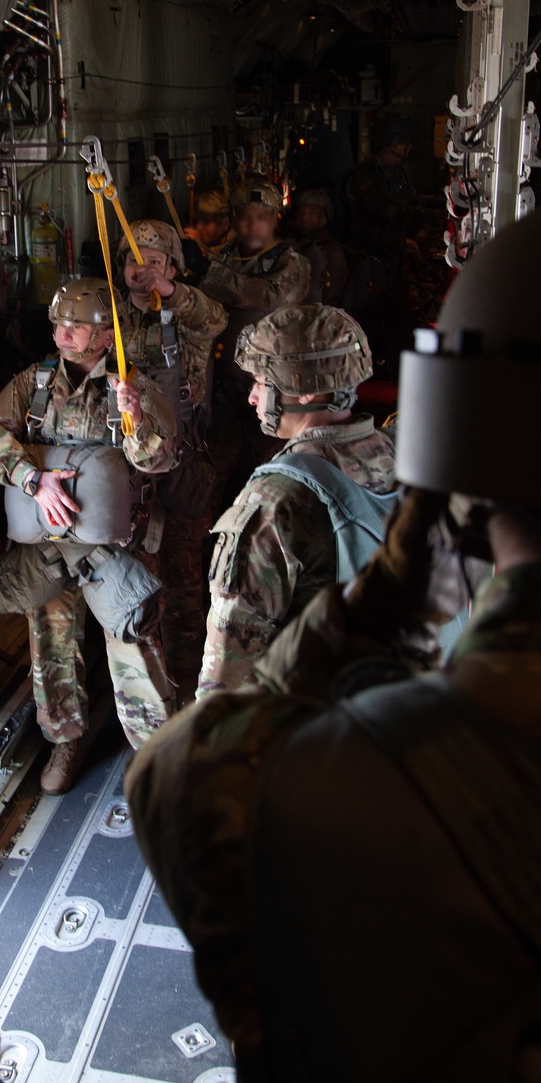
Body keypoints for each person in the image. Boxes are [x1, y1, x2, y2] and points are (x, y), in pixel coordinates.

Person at [127, 179, 541, 1083]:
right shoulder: (374, 461)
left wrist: (382, 612)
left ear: (469, 435)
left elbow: (179, 772)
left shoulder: (323, 808)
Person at [0, 277, 178, 794]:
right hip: (50, 542)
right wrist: (31, 479)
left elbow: (160, 460)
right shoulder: (34, 384)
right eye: (60, 325)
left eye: (78, 327)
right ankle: (64, 738)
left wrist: (135, 419)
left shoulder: (131, 386)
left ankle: (156, 750)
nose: (64, 334)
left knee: (132, 641)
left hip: (115, 546)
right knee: (50, 643)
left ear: (105, 337)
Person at [198, 303, 394, 695]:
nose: (253, 397)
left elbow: (229, 660)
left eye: (260, 382)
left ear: (305, 391)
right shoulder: (393, 450)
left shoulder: (274, 498)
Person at [117, 219, 228, 704]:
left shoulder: (187, 318)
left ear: (173, 268)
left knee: (185, 584)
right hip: (130, 480)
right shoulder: (111, 321)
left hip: (182, 472)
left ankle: (189, 686)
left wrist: (169, 290)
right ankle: (149, 695)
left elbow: (215, 318)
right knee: (136, 588)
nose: (140, 270)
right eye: (132, 260)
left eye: (154, 262)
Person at [183, 175, 313, 505]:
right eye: (245, 216)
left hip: (276, 388)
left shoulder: (292, 262)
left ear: (275, 219)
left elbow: (268, 296)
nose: (253, 224)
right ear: (234, 219)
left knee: (272, 467)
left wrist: (208, 272)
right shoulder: (222, 258)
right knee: (218, 465)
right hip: (227, 382)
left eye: (263, 216)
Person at [343, 115, 419, 370]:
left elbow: (410, 205)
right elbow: (389, 211)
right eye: (404, 142)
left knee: (399, 324)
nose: (408, 148)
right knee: (367, 324)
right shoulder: (365, 177)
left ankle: (398, 376)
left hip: (391, 260)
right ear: (391, 143)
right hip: (369, 263)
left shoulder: (395, 173)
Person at [290, 187, 349, 306]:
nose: (305, 218)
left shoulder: (332, 252)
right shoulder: (294, 246)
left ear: (325, 218)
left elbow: (324, 298)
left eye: (312, 213)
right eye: (301, 213)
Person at [184, 189, 234, 255]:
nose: (199, 227)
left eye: (206, 222)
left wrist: (199, 246)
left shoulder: (235, 249)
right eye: (196, 221)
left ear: (225, 223)